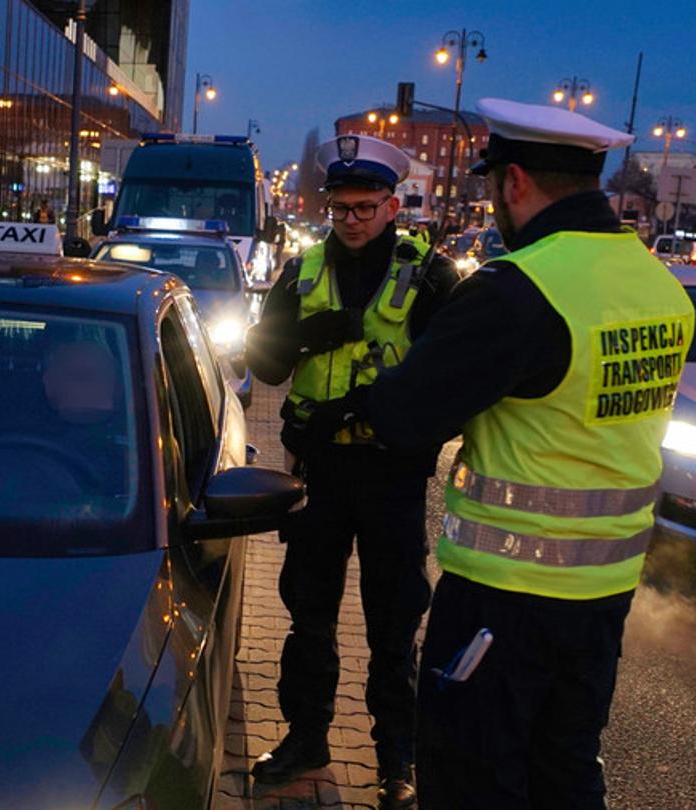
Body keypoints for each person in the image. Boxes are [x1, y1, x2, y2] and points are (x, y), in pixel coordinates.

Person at [357, 98, 696, 809]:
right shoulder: (660, 286)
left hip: (506, 597)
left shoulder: (519, 288)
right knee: (565, 771)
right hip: (603, 594)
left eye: (491, 185)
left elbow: (402, 416)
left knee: (470, 780)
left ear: (513, 182)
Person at [243, 133, 460, 809]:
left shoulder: (432, 277)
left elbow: (451, 383)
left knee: (393, 628)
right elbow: (264, 363)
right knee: (309, 618)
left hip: (392, 476)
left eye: (366, 207)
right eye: (341, 208)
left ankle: (397, 762)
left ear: (393, 205)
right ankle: (306, 740)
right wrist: (304, 337)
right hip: (321, 472)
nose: (352, 220)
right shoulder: (301, 271)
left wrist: (385, 412)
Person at [38, 336, 132, 494]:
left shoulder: (142, 438)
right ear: (50, 383)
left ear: (118, 387)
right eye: (80, 376)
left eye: (97, 376)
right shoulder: (30, 432)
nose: (89, 387)